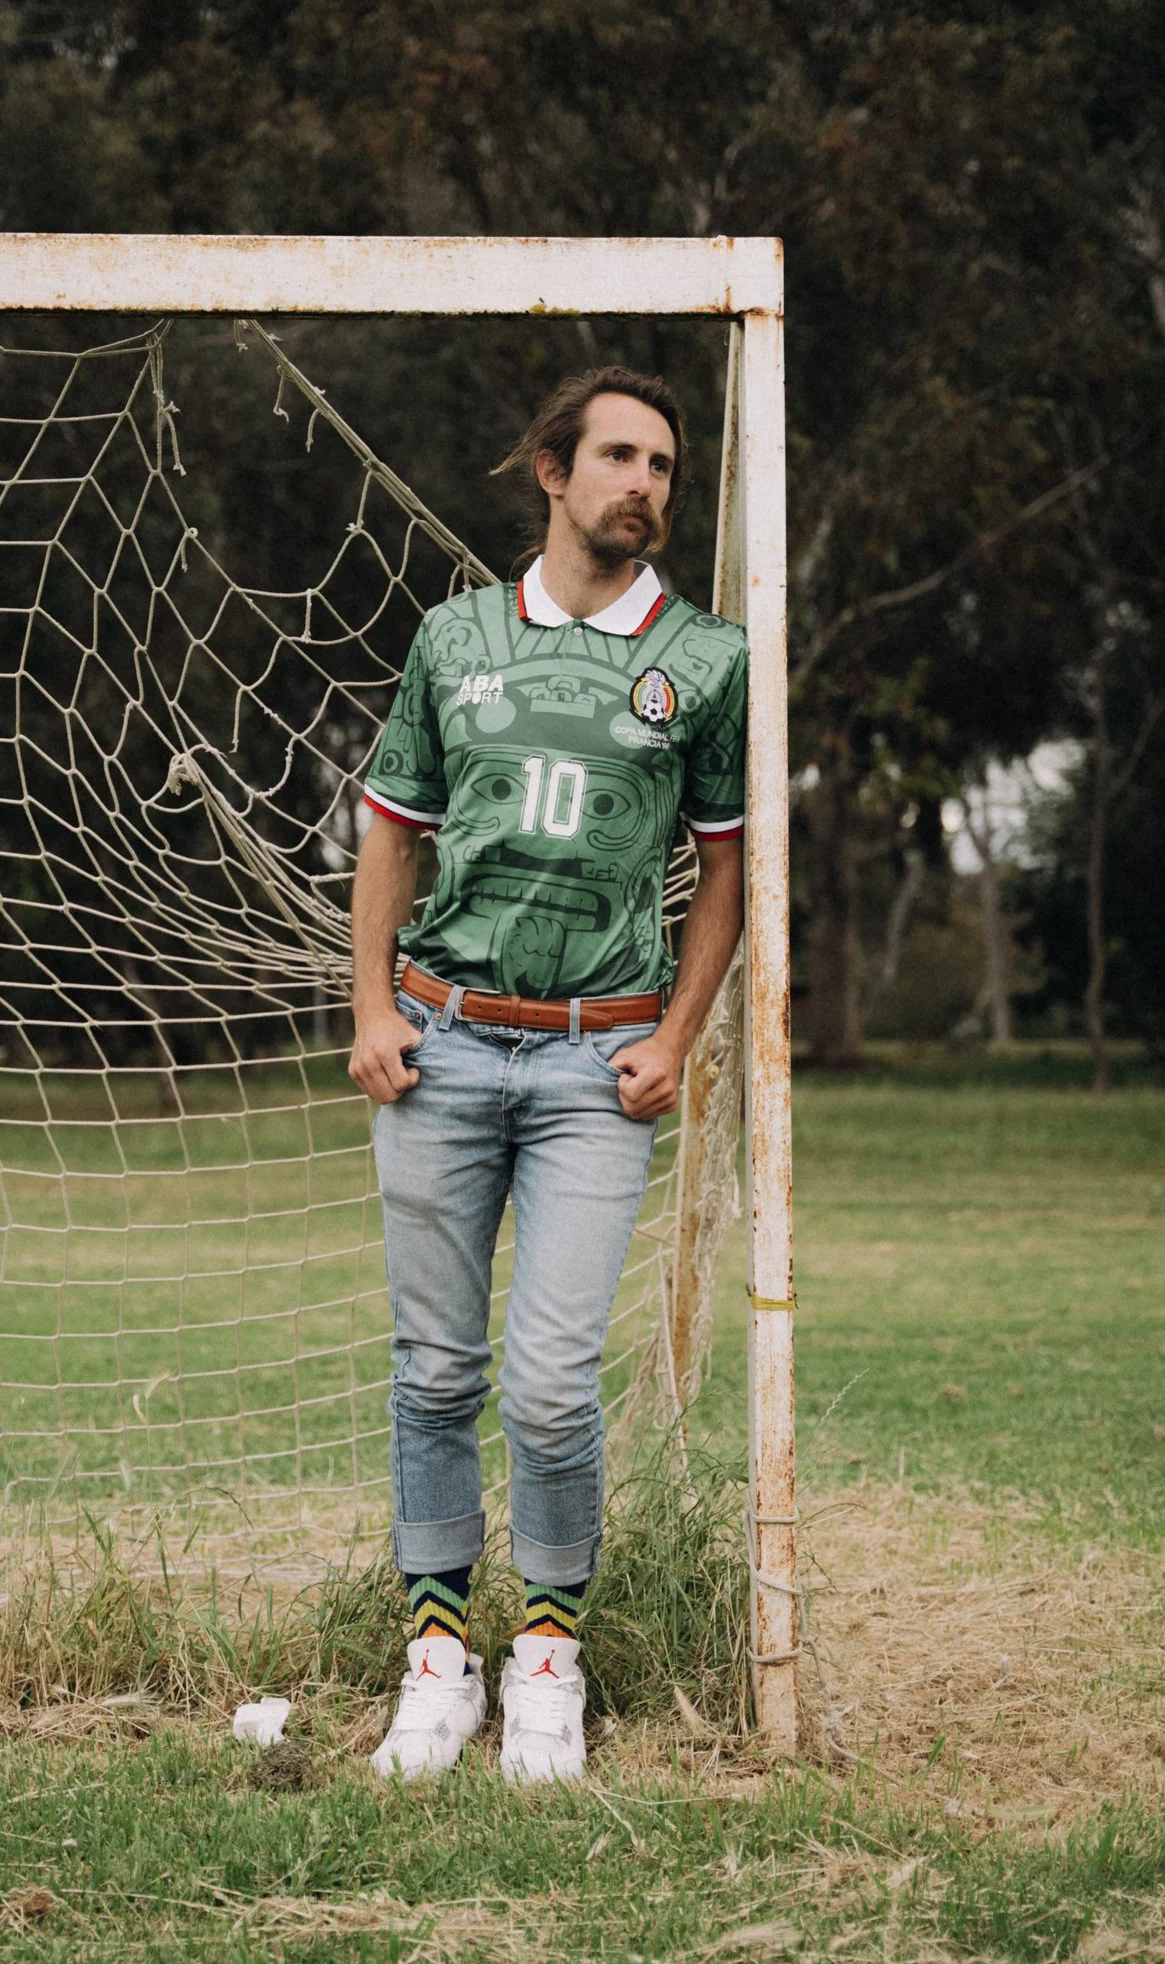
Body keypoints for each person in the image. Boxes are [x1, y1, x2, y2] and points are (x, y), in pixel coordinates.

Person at [348, 366, 746, 1782]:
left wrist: (677, 1037)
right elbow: (392, 825)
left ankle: (550, 1664)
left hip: (598, 1065)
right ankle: (438, 1662)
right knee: (437, 1370)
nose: (645, 482)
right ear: (553, 471)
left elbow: (724, 865)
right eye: (622, 456)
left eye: (665, 466)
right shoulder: (455, 638)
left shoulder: (708, 660)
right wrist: (372, 1008)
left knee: (555, 1381)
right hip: (442, 1042)